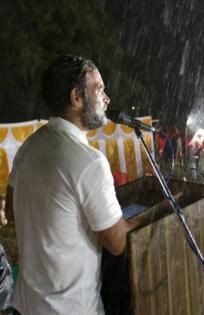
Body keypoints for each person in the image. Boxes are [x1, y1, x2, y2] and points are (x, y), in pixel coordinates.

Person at [4, 55, 147, 315]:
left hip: (25, 306)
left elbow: (11, 213)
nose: (107, 99)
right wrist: (147, 217)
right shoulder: (89, 162)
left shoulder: (29, 147)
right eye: (100, 89)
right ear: (76, 98)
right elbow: (117, 243)